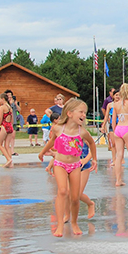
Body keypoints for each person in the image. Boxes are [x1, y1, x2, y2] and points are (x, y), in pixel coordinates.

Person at [39, 98, 97, 237]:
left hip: (75, 165)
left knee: (75, 197)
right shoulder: (59, 128)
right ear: (70, 113)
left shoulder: (82, 132)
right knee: (63, 191)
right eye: (81, 112)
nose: (84, 115)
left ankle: (74, 222)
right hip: (60, 164)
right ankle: (59, 225)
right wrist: (42, 152)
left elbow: (92, 144)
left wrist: (93, 159)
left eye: (85, 112)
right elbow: (52, 141)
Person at [0, 93, 15, 167]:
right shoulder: (10, 107)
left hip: (5, 125)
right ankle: (10, 163)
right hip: (10, 125)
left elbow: (0, 118)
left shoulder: (2, 107)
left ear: (3, 99)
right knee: (7, 145)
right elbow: (12, 118)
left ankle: (8, 159)